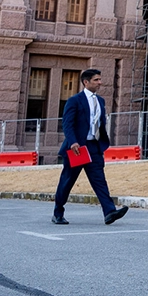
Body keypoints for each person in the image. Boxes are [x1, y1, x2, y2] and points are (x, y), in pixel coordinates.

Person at [51, 69, 129, 226]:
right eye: (96, 80)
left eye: (100, 79)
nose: (100, 82)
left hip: (94, 147)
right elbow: (67, 123)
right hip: (77, 148)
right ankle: (58, 212)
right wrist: (73, 142)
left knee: (99, 181)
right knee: (67, 181)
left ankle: (109, 212)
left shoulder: (100, 101)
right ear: (86, 82)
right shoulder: (74, 101)